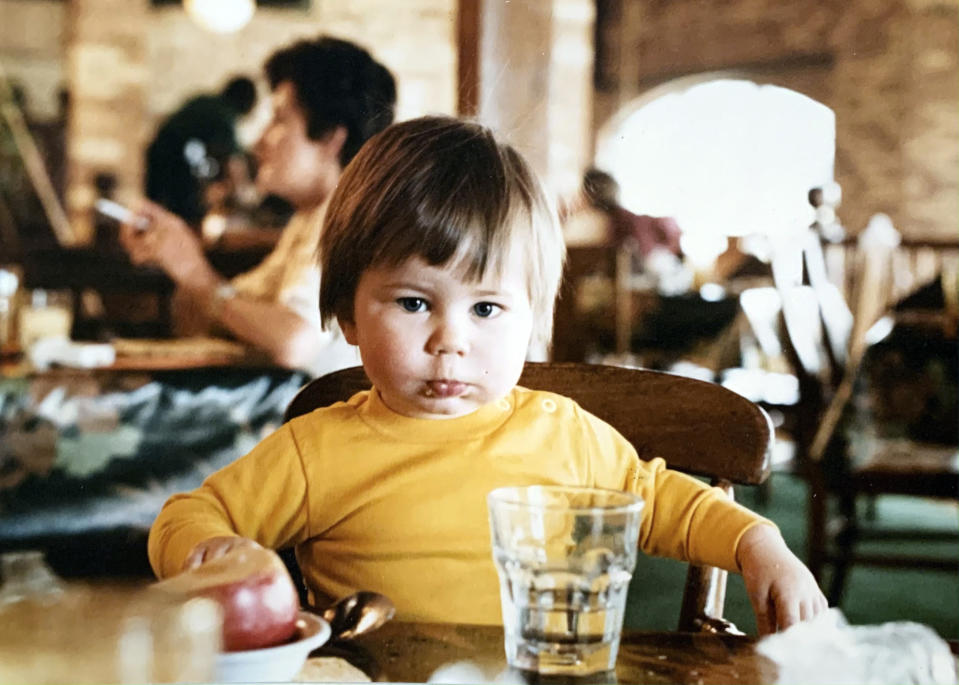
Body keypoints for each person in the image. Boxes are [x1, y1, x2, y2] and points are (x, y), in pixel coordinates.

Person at [148, 116, 827, 634]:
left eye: (487, 308)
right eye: (414, 302)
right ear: (348, 315)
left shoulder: (563, 435)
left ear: (531, 318)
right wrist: (209, 547)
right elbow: (187, 514)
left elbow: (656, 499)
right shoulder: (314, 451)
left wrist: (755, 541)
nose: (451, 339)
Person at [121, 37, 397, 375]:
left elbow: (293, 341)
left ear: (330, 139)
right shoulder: (309, 218)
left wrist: (195, 274)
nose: (258, 141)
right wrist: (180, 263)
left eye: (279, 120)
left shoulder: (346, 216)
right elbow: (205, 314)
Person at [145, 75, 257, 226]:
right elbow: (233, 161)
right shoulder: (225, 115)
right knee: (186, 212)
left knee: (157, 209)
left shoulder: (206, 101)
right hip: (173, 160)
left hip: (157, 153)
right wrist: (244, 192)